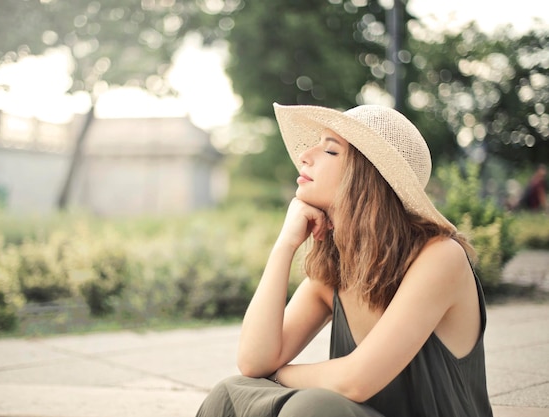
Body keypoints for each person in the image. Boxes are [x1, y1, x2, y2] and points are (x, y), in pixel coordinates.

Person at [195, 103, 493, 417]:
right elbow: (254, 362)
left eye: (331, 151)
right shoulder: (336, 268)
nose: (305, 156)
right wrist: (284, 245)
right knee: (230, 393)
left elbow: (355, 382)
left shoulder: (440, 257)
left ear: (367, 176)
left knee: (312, 407)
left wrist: (278, 375)